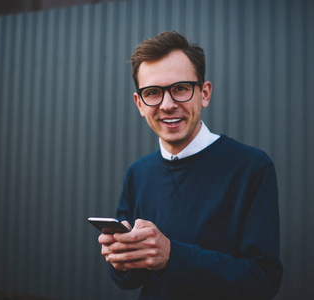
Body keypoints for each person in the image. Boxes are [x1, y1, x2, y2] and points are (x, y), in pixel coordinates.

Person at [97, 31, 283, 299]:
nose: (167, 105)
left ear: (204, 94)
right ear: (139, 103)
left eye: (180, 88)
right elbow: (128, 282)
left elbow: (263, 282)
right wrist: (122, 260)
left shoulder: (252, 167)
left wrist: (171, 256)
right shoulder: (137, 174)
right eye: (152, 93)